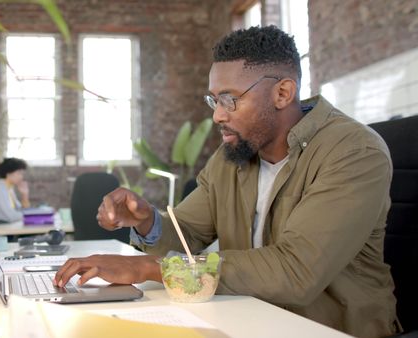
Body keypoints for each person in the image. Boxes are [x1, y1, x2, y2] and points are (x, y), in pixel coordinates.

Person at [54, 26, 400, 338]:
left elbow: (297, 270)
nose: (218, 114)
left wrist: (150, 267)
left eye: (230, 99)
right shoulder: (233, 156)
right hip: (247, 320)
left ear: (283, 93)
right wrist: (147, 221)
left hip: (329, 330)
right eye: (214, 100)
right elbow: (187, 233)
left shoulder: (353, 151)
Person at [0, 158, 31, 222]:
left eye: (22, 174)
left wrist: (25, 195)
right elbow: (12, 216)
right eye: (19, 173)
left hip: (7, 225)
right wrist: (31, 215)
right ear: (8, 173)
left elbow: (20, 210)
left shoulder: (9, 188)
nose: (21, 177)